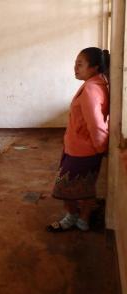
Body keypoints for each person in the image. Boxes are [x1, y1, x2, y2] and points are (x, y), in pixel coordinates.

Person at [47, 47, 110, 233]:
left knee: (63, 186)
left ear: (95, 67)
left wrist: (100, 148)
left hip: (83, 150)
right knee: (85, 185)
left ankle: (72, 216)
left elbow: (97, 124)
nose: (75, 68)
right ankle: (83, 219)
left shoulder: (91, 89)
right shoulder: (97, 83)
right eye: (75, 64)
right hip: (78, 147)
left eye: (80, 64)